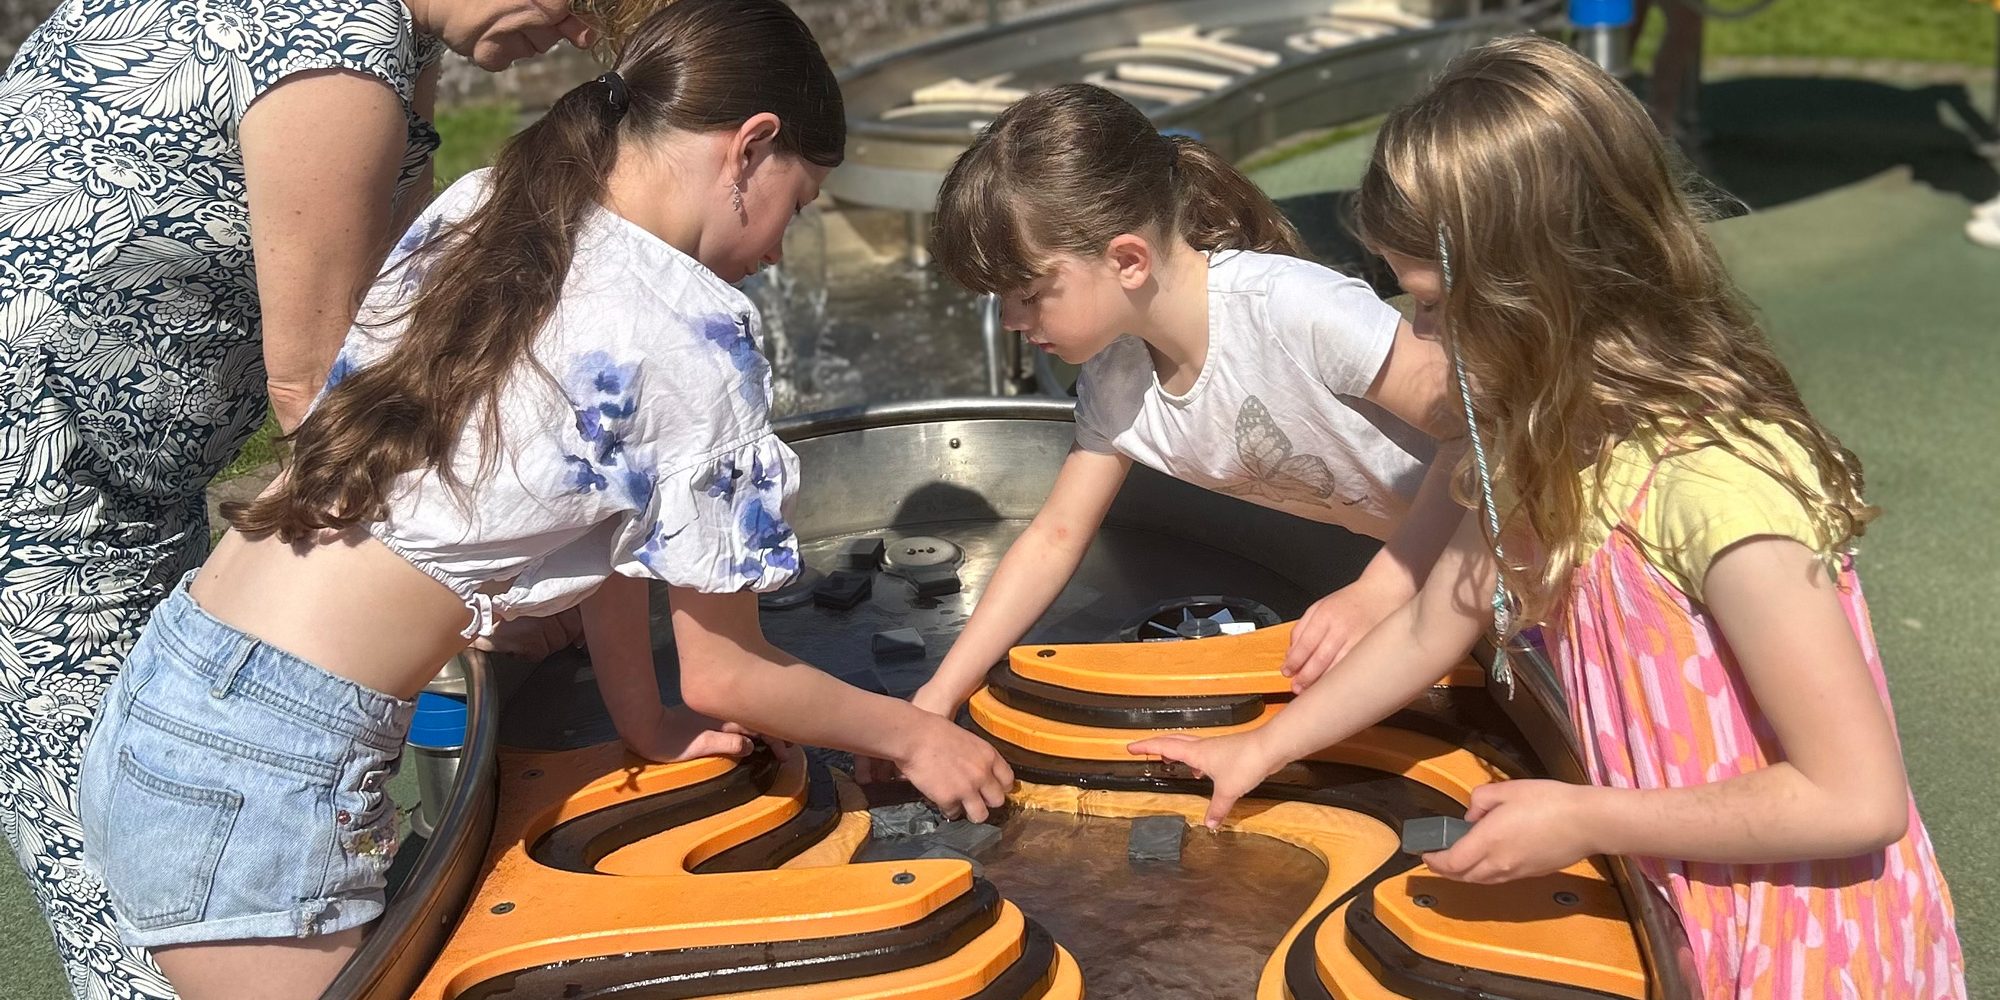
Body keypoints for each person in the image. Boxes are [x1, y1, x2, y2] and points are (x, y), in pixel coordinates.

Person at [75, 2, 1011, 996]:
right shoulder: (697, 329)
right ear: (751, 147)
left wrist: (639, 716)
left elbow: (606, 509)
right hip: (269, 765)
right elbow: (731, 675)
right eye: (800, 202)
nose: (780, 248)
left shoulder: (493, 204)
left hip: (175, 679)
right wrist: (917, 732)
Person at [1132, 35, 1966, 998]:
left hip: (1805, 940)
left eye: (1437, 305)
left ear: (1547, 286)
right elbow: (1430, 617)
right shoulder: (1540, 435)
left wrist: (1586, 818)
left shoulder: (1719, 485)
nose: (1416, 335)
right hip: (1685, 897)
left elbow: (1853, 799)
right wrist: (1264, 748)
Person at [0, 0, 600, 993]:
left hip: (101, 475)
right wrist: (471, 589)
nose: (581, 29)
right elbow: (324, 381)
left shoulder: (381, 35)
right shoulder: (331, 48)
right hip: (40, 498)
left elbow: (397, 312)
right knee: (143, 880)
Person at [903, 83, 1466, 729]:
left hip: (1537, 542)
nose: (1009, 320)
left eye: (1029, 293)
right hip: (1446, 575)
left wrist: (1383, 588)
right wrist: (939, 696)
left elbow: (1488, 430)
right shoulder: (1116, 380)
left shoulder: (1291, 312)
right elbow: (1054, 538)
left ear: (1129, 261)